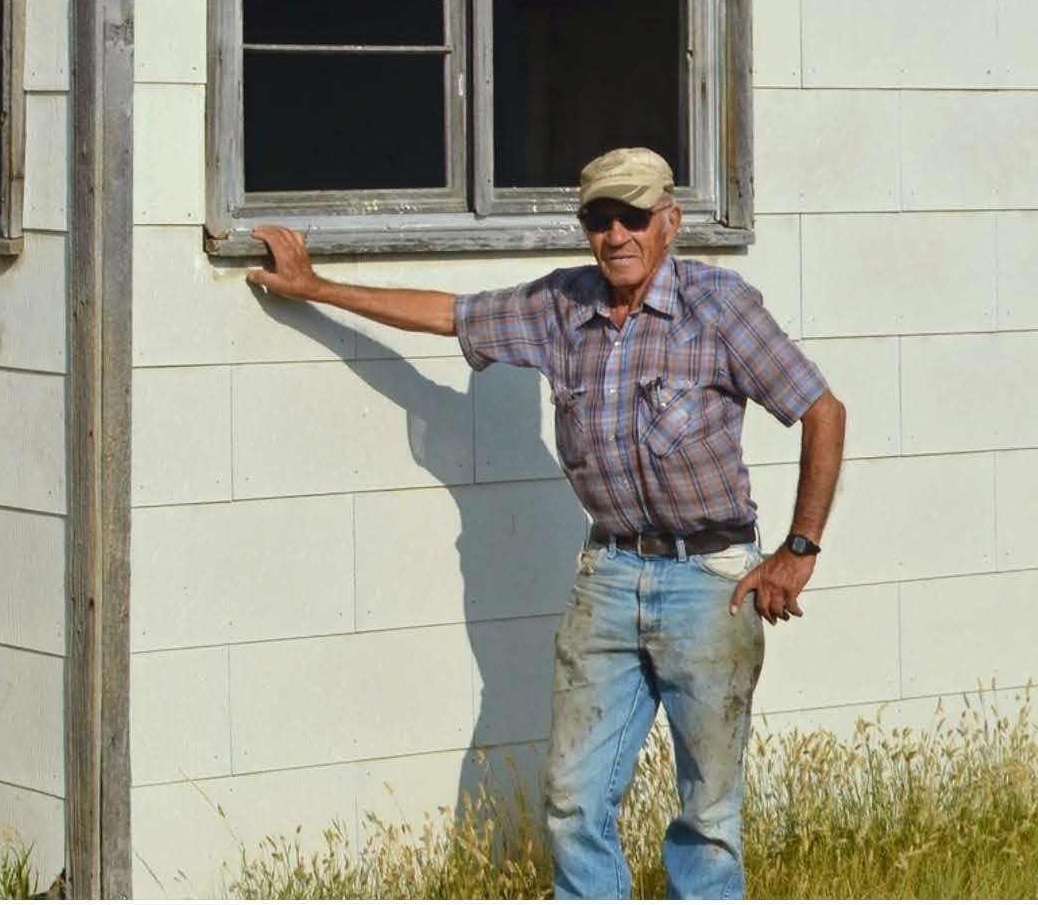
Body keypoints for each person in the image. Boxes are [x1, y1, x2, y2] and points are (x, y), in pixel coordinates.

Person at [245, 145, 846, 901]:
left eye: (633, 217)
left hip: (711, 582)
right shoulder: (561, 308)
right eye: (601, 219)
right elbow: (447, 315)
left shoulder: (721, 309)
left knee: (709, 814)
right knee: (573, 800)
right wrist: (316, 287)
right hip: (609, 575)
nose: (617, 235)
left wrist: (798, 550)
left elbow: (821, 410)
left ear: (670, 222)